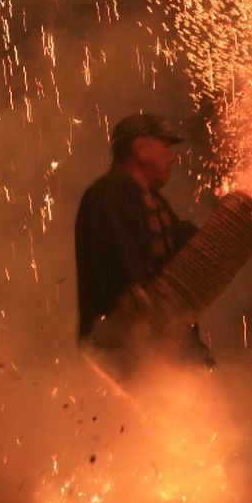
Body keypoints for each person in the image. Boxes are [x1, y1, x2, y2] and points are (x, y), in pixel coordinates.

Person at [75, 112, 214, 375]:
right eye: (164, 146)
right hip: (123, 349)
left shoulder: (153, 202)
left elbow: (184, 247)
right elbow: (122, 266)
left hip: (151, 348)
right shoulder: (111, 193)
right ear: (140, 147)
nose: (170, 156)